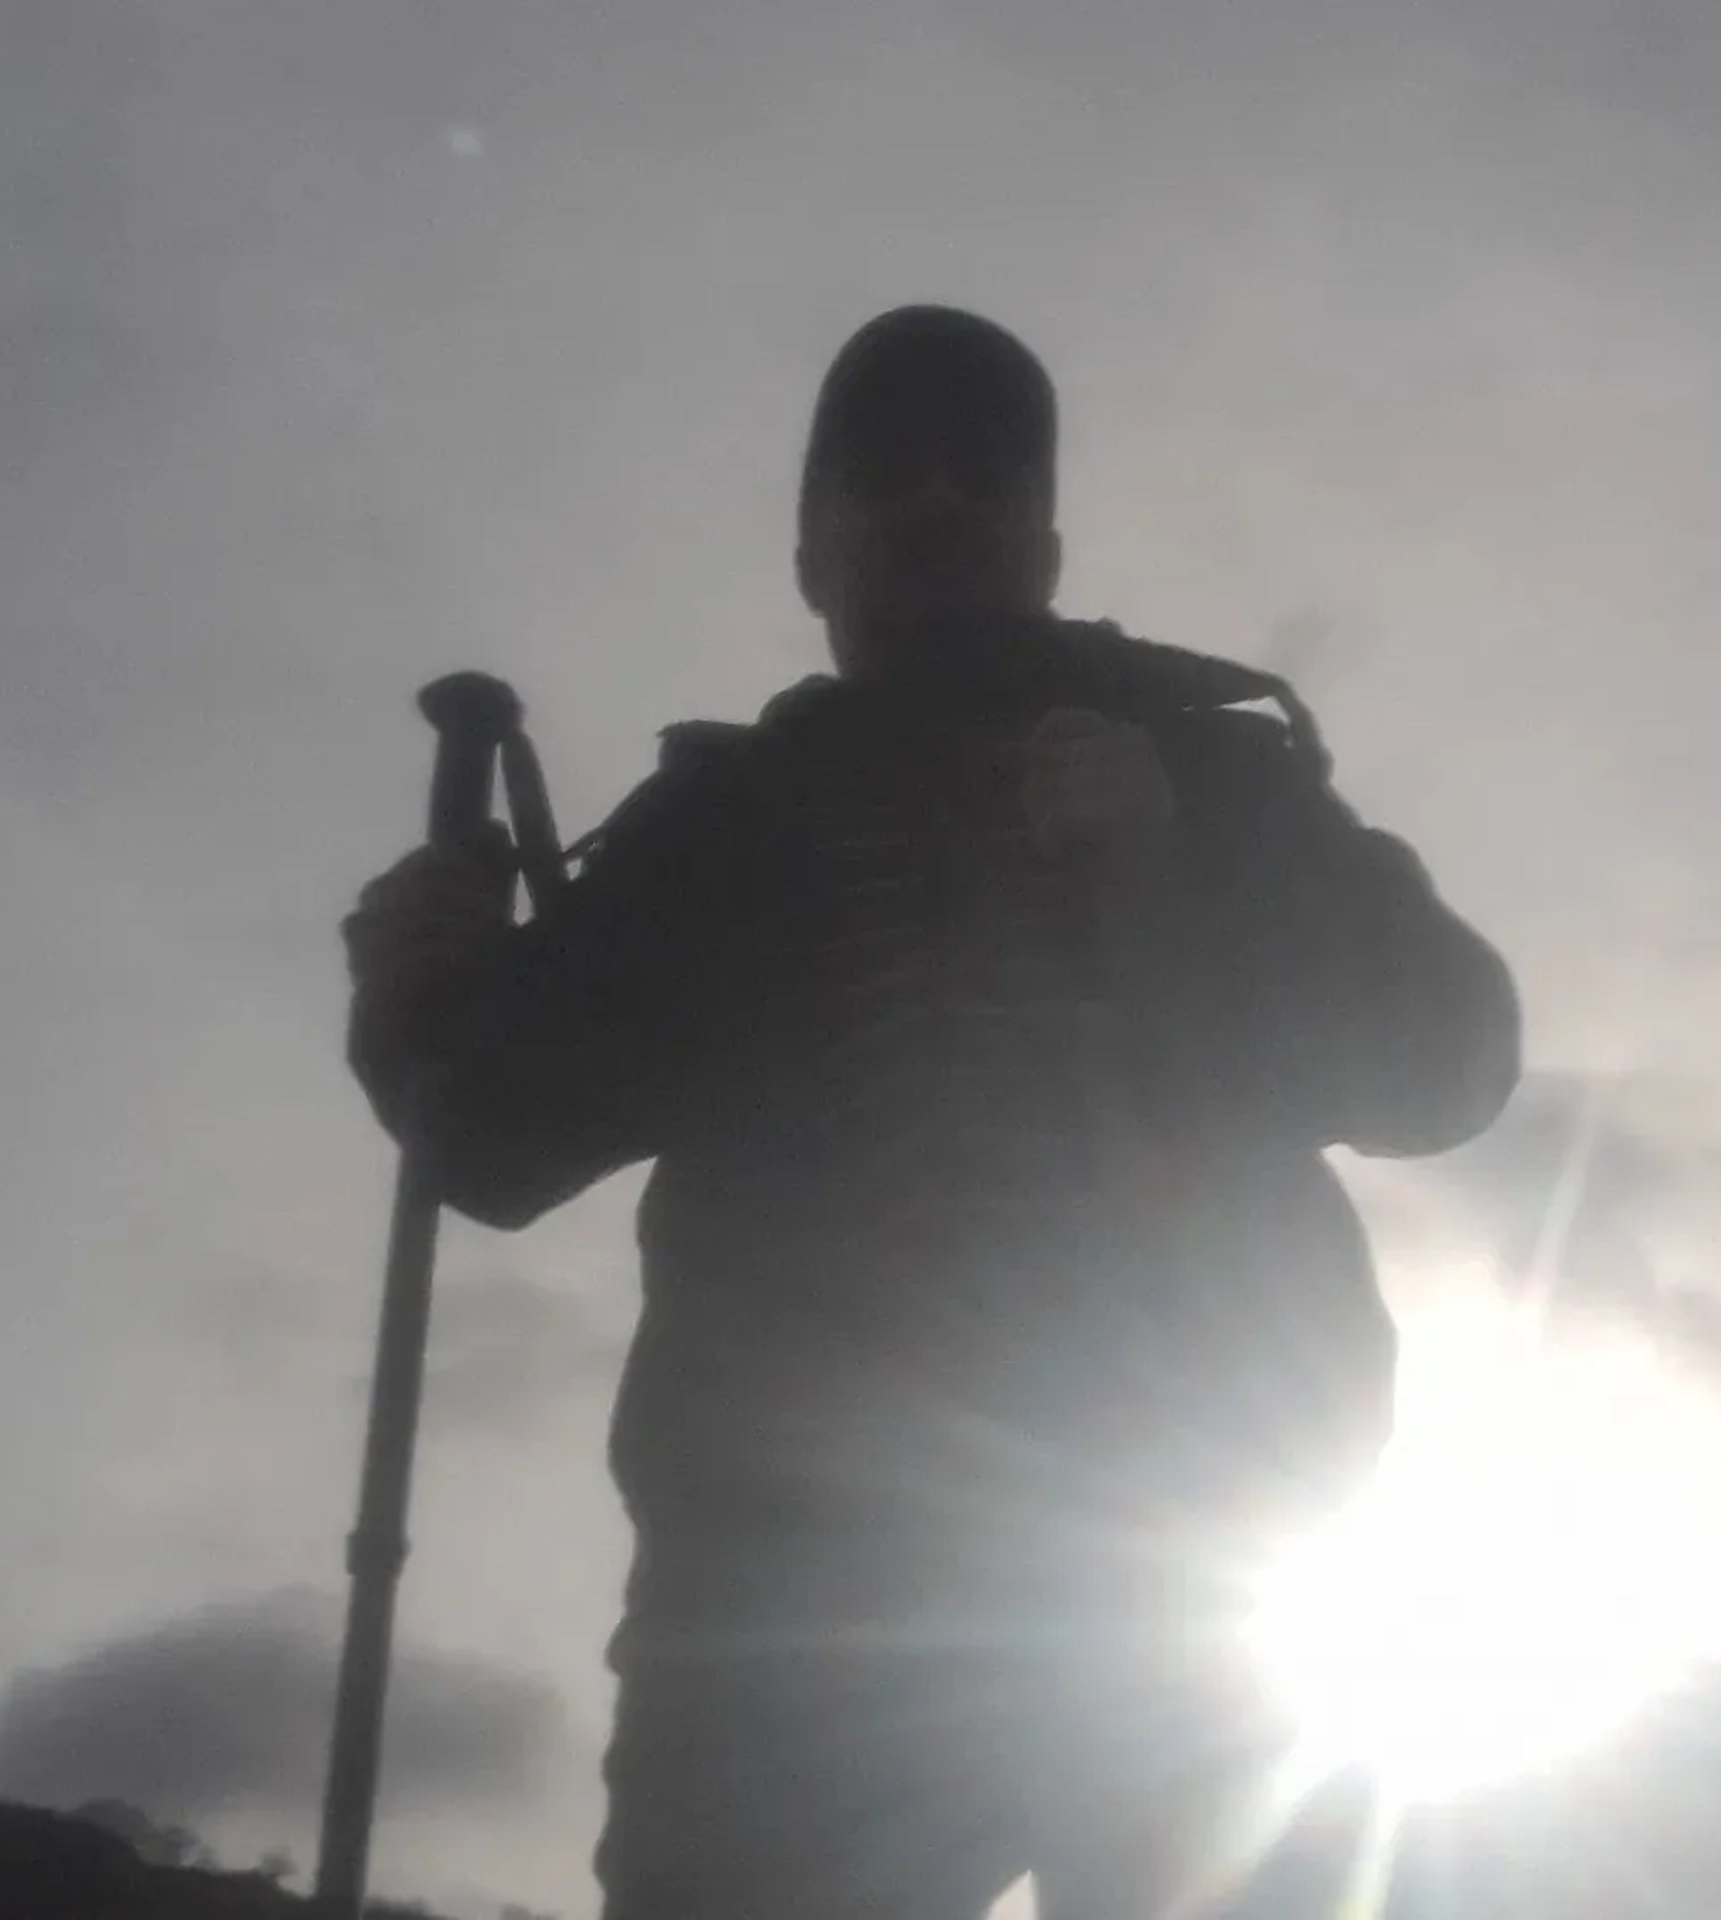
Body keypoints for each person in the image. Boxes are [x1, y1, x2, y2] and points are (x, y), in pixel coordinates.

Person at [341, 306, 1521, 1920]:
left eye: (985, 472)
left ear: (1042, 538)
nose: (937, 500)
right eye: (884, 474)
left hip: (1195, 1573)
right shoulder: (716, 827)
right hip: (785, 1622)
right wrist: (414, 996)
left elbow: (1447, 1060)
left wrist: (1169, 870)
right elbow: (497, 1136)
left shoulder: (1218, 770)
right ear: (812, 551)